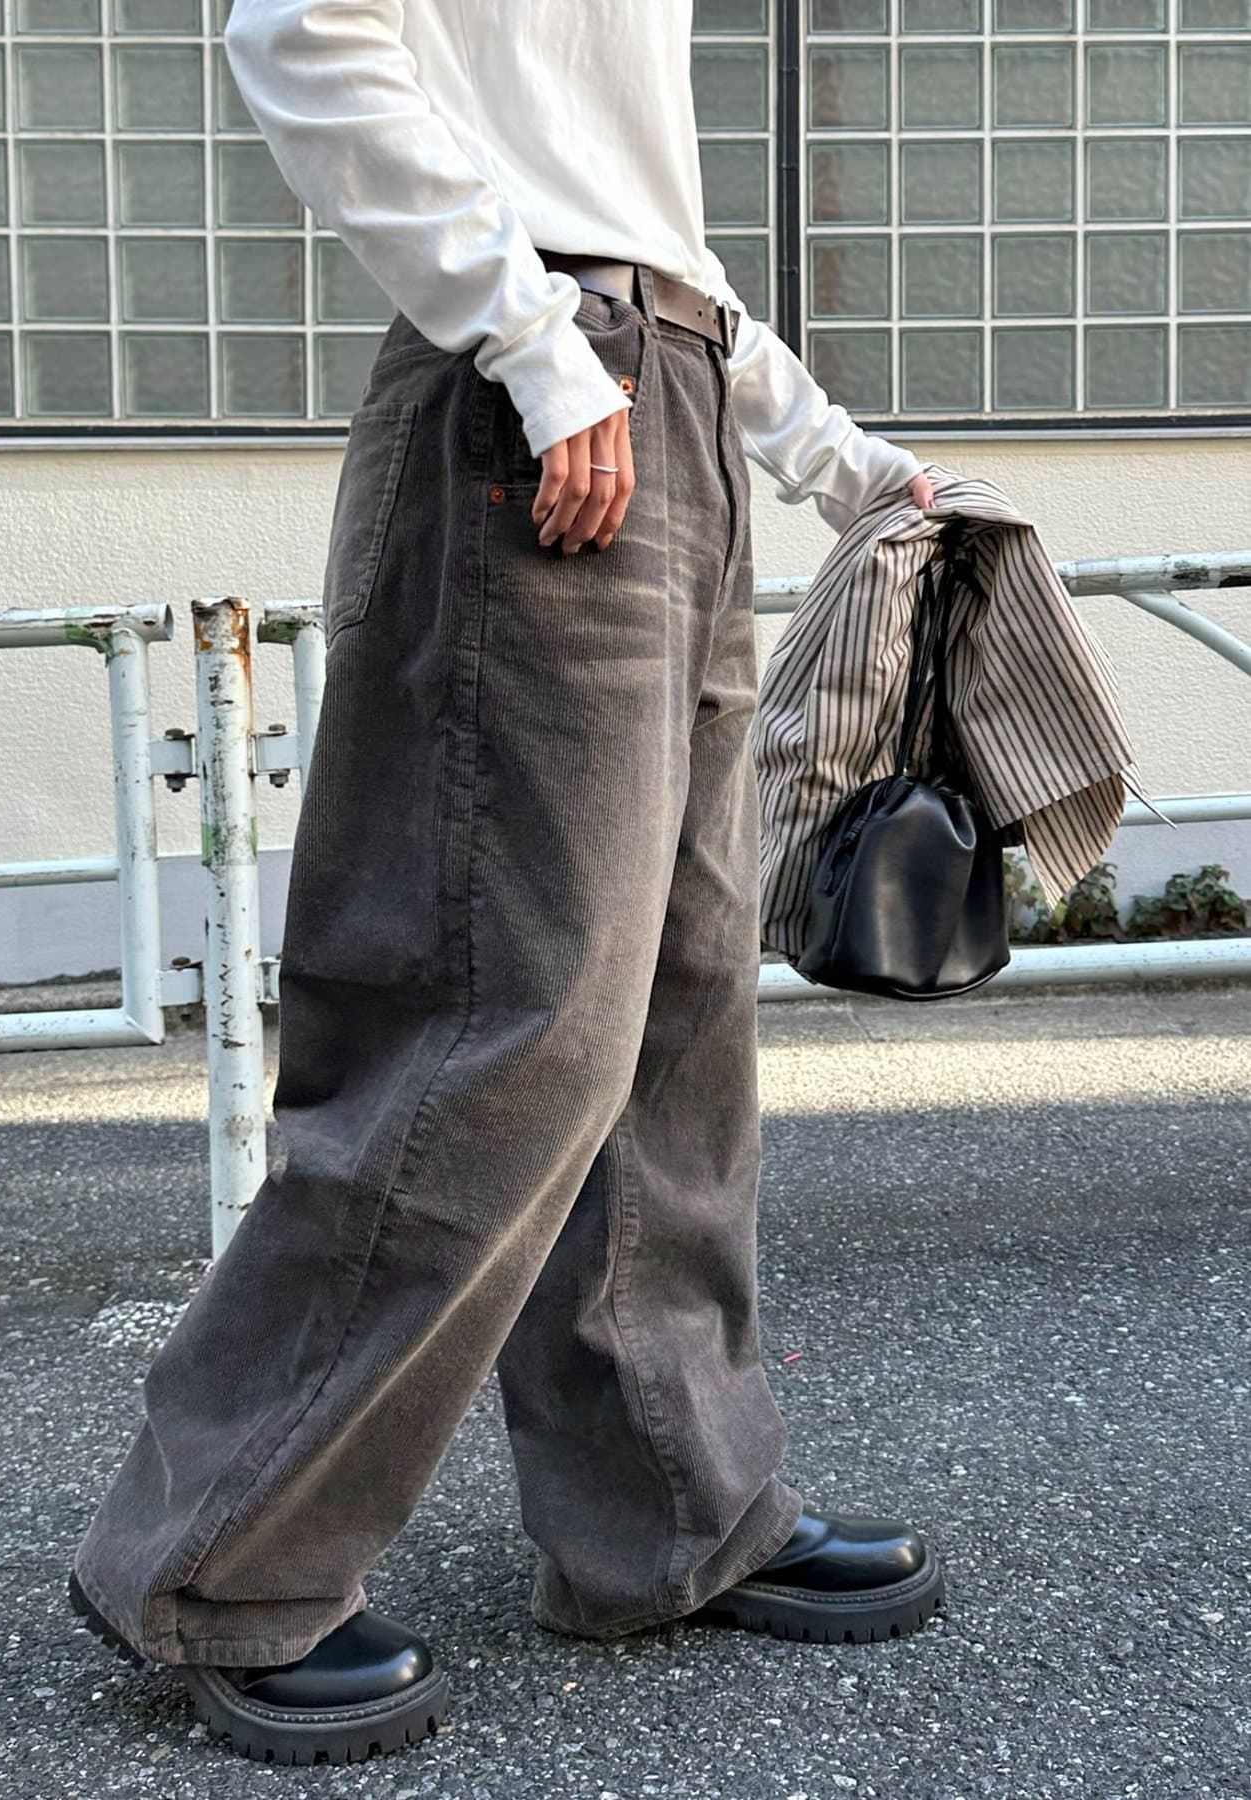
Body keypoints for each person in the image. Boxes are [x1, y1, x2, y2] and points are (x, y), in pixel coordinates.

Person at [68, 0, 945, 1766]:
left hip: (661, 389)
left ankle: (668, 1513)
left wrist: (836, 460)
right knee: (497, 1017)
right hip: (537, 401)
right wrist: (536, 347)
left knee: (674, 1010)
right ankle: (224, 1558)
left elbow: (641, 210)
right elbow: (301, 32)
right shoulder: (531, 338)